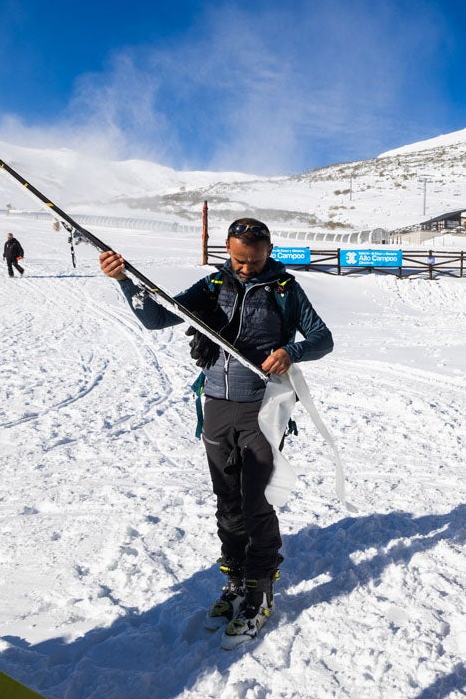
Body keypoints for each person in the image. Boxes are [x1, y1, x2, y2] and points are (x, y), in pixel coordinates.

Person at [98, 218, 333, 645]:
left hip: (262, 410)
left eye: (255, 260)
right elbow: (155, 318)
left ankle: (260, 591)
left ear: (269, 250)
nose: (246, 269)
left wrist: (290, 350)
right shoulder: (212, 286)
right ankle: (237, 580)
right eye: (239, 260)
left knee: (256, 500)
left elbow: (322, 338)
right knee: (227, 499)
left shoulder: (284, 289)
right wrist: (124, 281)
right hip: (217, 407)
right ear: (227, 248)